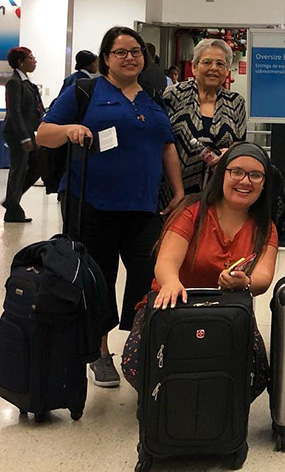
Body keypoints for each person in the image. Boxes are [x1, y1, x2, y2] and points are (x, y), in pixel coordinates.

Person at [37, 26, 185, 388]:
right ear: (106, 58)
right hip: (92, 204)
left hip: (143, 208)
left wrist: (178, 191)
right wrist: (70, 128)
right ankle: (100, 352)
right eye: (120, 52)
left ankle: (138, 348)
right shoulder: (85, 92)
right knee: (98, 279)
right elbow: (44, 133)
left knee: (147, 276)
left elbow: (167, 146)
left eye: (135, 51)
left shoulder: (152, 96)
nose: (130, 57)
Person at [121, 142, 277, 393]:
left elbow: (263, 278)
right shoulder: (192, 212)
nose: (245, 181)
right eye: (236, 171)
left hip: (225, 313)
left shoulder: (265, 227)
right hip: (176, 306)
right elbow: (166, 263)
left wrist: (244, 283)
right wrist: (171, 282)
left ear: (264, 183)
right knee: (137, 363)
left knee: (257, 373)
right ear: (222, 174)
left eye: (255, 175)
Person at [161, 38, 246, 210]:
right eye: (207, 62)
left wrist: (228, 155)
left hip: (219, 193)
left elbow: (239, 144)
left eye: (220, 64)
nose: (214, 68)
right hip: (174, 193)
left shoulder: (236, 102)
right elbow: (162, 142)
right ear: (194, 66)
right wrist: (177, 192)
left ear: (227, 70)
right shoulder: (174, 94)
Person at [2, 47, 43, 223]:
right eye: (31, 57)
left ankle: (11, 203)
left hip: (29, 133)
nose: (34, 61)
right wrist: (25, 137)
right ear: (21, 61)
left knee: (36, 168)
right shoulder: (14, 82)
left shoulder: (26, 82)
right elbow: (15, 112)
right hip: (18, 134)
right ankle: (13, 211)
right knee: (18, 171)